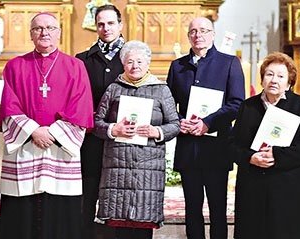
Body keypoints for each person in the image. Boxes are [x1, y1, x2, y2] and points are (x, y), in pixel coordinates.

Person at [0, 12, 94, 239]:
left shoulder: (75, 66)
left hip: (58, 149)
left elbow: (81, 108)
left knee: (58, 212)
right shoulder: (14, 66)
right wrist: (33, 131)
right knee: (22, 211)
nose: (44, 33)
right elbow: (9, 106)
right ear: (31, 34)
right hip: (26, 147)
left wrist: (51, 133)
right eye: (39, 28)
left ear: (59, 33)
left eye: (50, 28)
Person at [165, 17, 245, 239]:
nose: (197, 35)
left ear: (213, 34)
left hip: (216, 148)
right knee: (192, 208)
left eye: (203, 30)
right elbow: (168, 104)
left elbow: (237, 104)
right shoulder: (177, 66)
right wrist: (179, 120)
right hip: (188, 146)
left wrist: (207, 123)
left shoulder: (229, 63)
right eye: (193, 31)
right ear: (188, 36)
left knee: (218, 208)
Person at [93, 40, 180, 239]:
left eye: (140, 61)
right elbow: (97, 123)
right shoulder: (114, 88)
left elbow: (175, 124)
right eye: (130, 61)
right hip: (117, 165)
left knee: (143, 225)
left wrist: (156, 131)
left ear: (148, 63)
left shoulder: (161, 90)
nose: (135, 66)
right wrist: (114, 129)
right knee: (119, 227)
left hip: (148, 167)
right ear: (123, 64)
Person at [229, 52, 300, 239]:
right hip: (253, 187)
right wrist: (250, 158)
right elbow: (232, 145)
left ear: (289, 82)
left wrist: (277, 155)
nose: (274, 80)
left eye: (280, 76)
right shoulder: (248, 107)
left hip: (289, 187)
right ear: (262, 79)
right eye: (269, 74)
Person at [74, 4, 125, 238]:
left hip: (123, 140)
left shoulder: (132, 58)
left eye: (111, 23)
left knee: (118, 195)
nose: (106, 28)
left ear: (120, 25)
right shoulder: (82, 60)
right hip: (92, 138)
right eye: (101, 24)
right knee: (88, 192)